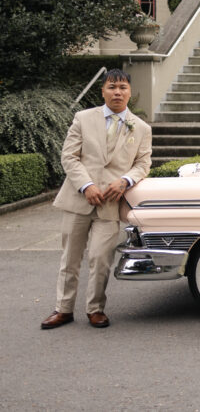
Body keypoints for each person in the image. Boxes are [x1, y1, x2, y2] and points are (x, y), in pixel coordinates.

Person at [43, 69, 153, 330]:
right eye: (112, 87)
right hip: (78, 200)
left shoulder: (141, 127)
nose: (117, 92)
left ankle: (96, 309)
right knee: (70, 258)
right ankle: (63, 309)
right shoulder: (82, 118)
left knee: (101, 258)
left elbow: (143, 163)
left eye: (123, 87)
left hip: (110, 203)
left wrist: (125, 180)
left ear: (130, 92)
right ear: (102, 90)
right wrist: (86, 185)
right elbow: (69, 156)